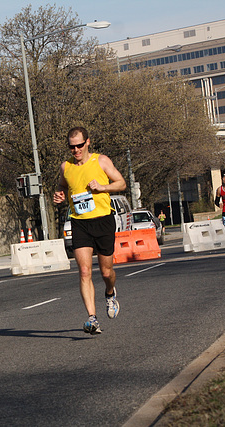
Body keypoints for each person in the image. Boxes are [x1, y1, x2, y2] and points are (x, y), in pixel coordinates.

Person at [53, 127, 127, 335]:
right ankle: (92, 318)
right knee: (84, 271)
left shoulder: (101, 161)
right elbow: (63, 187)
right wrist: (60, 195)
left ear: (87, 142)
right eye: (71, 146)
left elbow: (121, 183)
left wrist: (103, 187)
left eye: (79, 145)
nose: (75, 150)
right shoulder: (65, 167)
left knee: (106, 272)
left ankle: (110, 293)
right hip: (79, 222)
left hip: (102, 220)